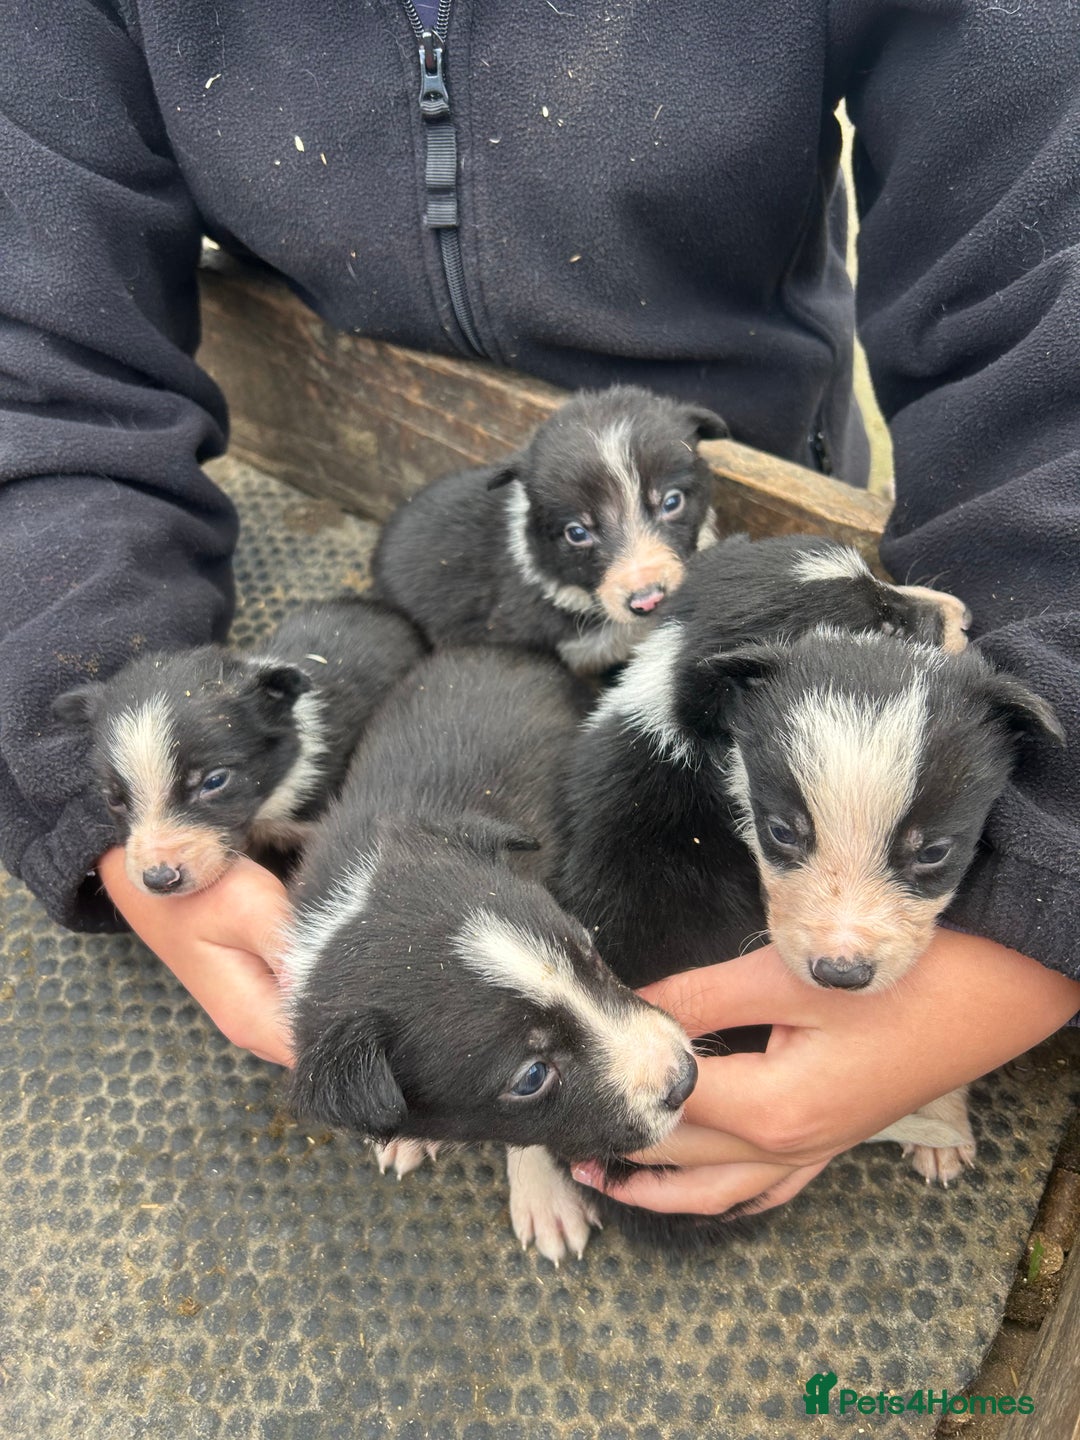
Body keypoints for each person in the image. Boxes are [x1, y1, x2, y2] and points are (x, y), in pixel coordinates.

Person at [3, 0, 1079, 1220]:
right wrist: (78, 752)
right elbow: (32, 366)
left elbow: (1053, 214)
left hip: (770, 468)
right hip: (385, 480)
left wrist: (1047, 882)